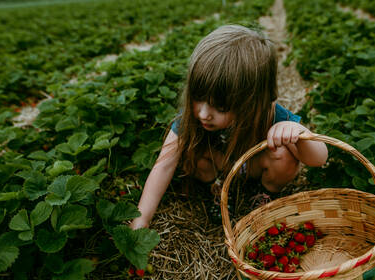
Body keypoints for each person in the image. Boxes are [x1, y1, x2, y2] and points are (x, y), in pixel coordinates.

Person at [129, 25, 328, 229]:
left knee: (284, 156)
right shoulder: (193, 119)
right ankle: (217, 188)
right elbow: (163, 165)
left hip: (253, 167)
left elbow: (319, 158)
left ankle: (265, 191)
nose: (204, 114)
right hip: (218, 165)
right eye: (198, 98)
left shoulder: (271, 116)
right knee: (187, 149)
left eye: (221, 107)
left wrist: (300, 134)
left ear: (252, 103)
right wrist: (142, 219)